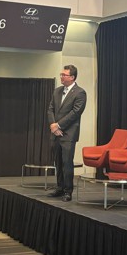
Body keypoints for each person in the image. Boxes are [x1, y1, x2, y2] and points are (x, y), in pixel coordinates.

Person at [46, 64, 87, 202]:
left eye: (64, 75)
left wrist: (59, 125)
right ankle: (59, 187)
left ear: (72, 77)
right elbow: (50, 109)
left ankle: (68, 191)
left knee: (66, 163)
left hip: (68, 134)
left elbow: (75, 113)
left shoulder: (80, 93)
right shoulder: (57, 91)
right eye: (61, 74)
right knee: (57, 162)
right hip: (55, 132)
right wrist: (53, 125)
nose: (61, 77)